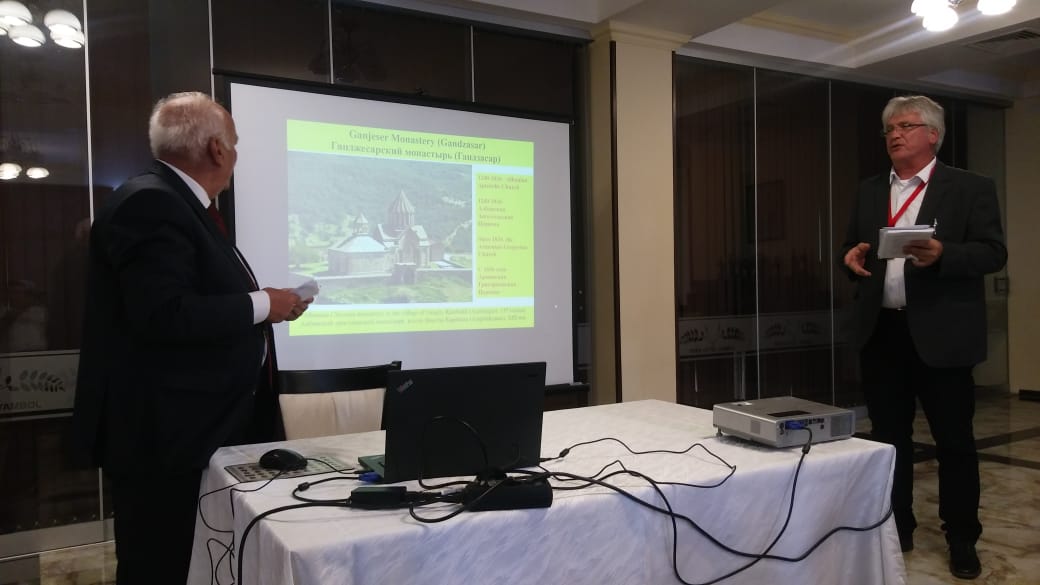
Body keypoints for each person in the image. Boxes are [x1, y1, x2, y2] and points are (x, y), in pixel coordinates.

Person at [71, 92, 312, 585]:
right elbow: (164, 314)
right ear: (218, 150)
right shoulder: (152, 203)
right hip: (166, 443)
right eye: (236, 144)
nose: (236, 156)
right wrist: (263, 304)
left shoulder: (177, 203)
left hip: (190, 434)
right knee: (162, 565)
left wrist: (266, 305)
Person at [841, 95, 1006, 580]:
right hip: (883, 333)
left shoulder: (970, 187)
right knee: (889, 440)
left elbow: (993, 252)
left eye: (906, 126)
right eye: (889, 129)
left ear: (933, 134)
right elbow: (853, 247)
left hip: (943, 336)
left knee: (954, 441)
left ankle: (962, 538)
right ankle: (898, 527)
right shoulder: (870, 189)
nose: (894, 134)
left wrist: (944, 254)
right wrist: (850, 259)